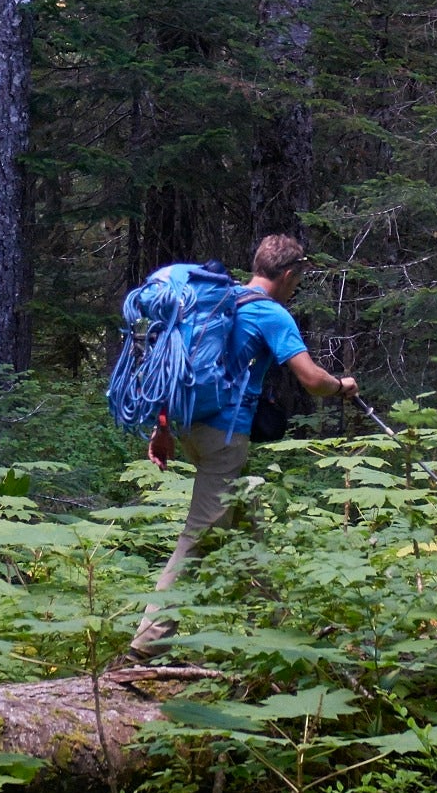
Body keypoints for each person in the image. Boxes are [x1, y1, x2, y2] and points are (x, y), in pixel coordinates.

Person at [128, 233, 357, 653]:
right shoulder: (271, 313)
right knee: (197, 538)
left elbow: (174, 364)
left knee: (246, 527)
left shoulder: (220, 300)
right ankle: (148, 643)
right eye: (297, 280)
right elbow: (311, 380)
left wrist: (162, 429)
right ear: (288, 274)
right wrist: (341, 385)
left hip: (191, 428)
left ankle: (275, 627)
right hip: (225, 438)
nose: (296, 287)